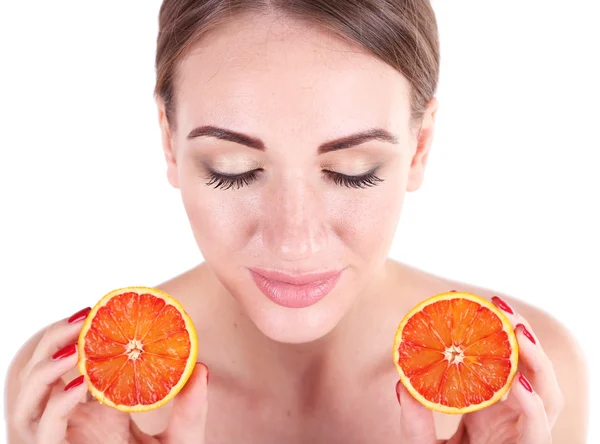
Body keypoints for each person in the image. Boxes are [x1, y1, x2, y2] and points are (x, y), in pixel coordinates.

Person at [4, 1, 589, 443]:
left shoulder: (524, 396)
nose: (294, 239)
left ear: (419, 147)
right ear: (167, 140)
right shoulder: (74, 398)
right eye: (233, 170)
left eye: (353, 172)